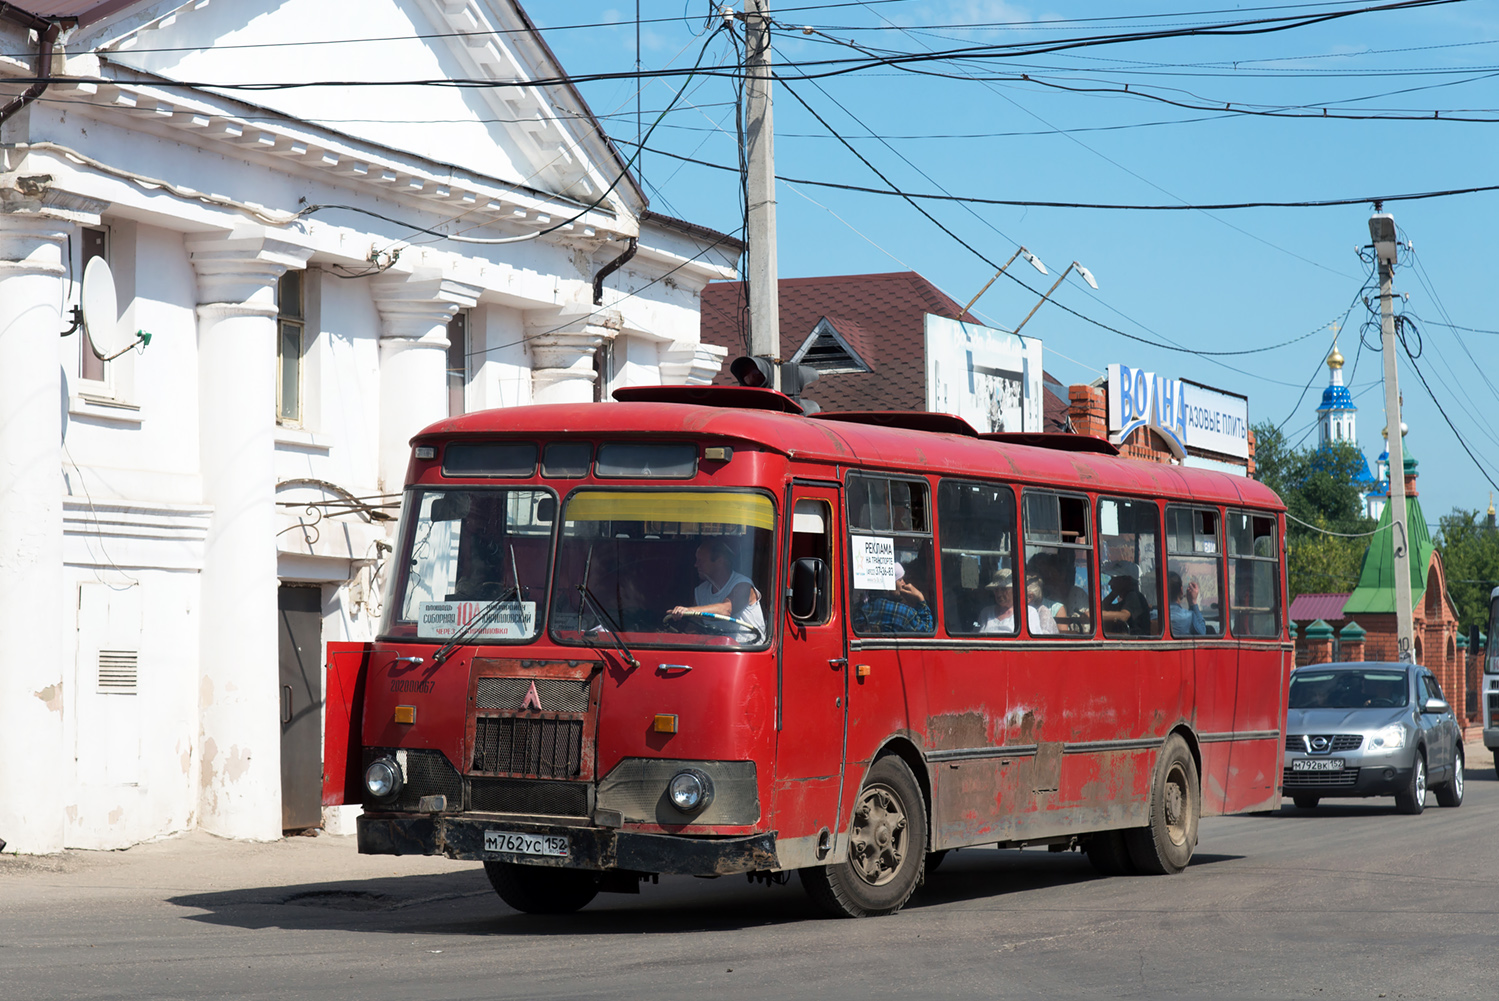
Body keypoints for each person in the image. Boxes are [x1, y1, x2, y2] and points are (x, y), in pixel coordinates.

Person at [667, 539, 765, 635]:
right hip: (718, 649)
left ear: (720, 561)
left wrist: (689, 610)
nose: (696, 565)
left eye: (701, 561)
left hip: (746, 649)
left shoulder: (744, 585)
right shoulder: (701, 591)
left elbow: (726, 609)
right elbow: (693, 629)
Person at [854, 561, 934, 633]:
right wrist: (921, 599)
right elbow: (928, 629)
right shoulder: (905, 613)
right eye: (900, 580)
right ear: (889, 584)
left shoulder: (861, 607)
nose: (904, 583)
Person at [1100, 561, 1152, 635]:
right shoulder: (1126, 600)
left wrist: (1098, 615)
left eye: (1114, 579)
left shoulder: (1134, 596)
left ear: (1127, 580)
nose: (1110, 583)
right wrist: (1114, 593)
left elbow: (1123, 616)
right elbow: (1104, 607)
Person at [1167, 570, 1207, 636]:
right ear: (1181, 590)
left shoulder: (1153, 615)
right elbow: (1202, 633)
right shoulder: (1189, 616)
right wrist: (1193, 603)